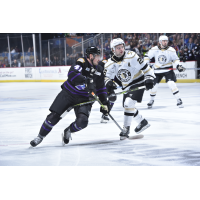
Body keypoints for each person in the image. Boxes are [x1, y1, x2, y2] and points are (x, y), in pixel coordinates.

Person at [30, 46, 110, 147]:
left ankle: (68, 131)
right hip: (69, 93)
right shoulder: (81, 62)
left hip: (85, 98)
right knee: (53, 117)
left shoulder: (99, 69)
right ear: (91, 56)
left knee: (83, 122)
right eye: (97, 56)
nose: (99, 59)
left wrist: (105, 104)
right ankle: (40, 137)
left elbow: (101, 88)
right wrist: (85, 80)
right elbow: (72, 74)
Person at [104, 38, 155, 140]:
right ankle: (142, 122)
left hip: (138, 82)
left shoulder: (131, 56)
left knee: (128, 103)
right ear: (113, 50)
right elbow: (107, 77)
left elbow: (147, 69)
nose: (121, 49)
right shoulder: (109, 63)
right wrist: (109, 84)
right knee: (127, 106)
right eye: (118, 48)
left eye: (122, 46)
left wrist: (149, 78)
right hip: (126, 86)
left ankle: (126, 129)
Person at [144, 35, 186, 109]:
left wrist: (178, 65)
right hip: (157, 70)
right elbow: (147, 56)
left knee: (171, 84)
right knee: (154, 86)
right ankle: (151, 100)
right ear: (160, 42)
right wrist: (147, 65)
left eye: (166, 41)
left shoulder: (171, 50)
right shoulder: (154, 49)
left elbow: (175, 59)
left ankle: (179, 99)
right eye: (164, 41)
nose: (165, 42)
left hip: (168, 69)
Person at [98, 51, 118, 123]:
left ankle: (105, 115)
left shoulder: (119, 64)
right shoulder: (104, 62)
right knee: (92, 99)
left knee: (112, 97)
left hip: (108, 84)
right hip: (99, 84)